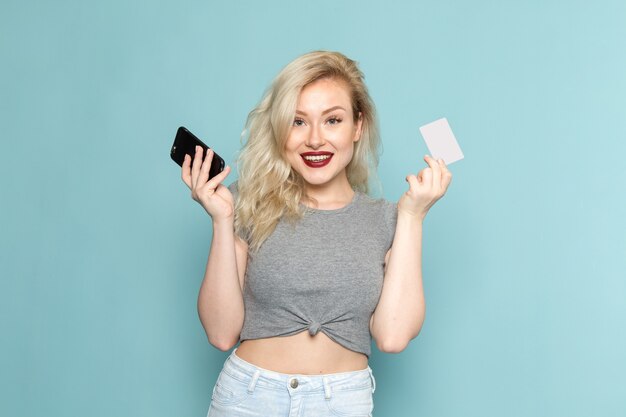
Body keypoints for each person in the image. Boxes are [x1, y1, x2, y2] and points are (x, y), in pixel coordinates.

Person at [181, 50, 452, 417]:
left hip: (342, 402)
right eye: (297, 122)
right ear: (281, 130)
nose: (314, 140)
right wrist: (221, 220)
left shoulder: (388, 219)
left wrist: (414, 216)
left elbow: (392, 336)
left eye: (332, 121)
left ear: (357, 126)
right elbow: (220, 333)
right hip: (248, 398)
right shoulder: (247, 205)